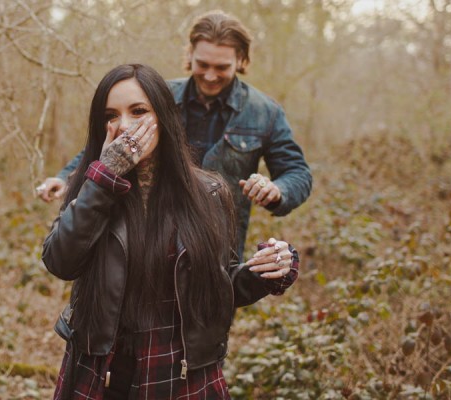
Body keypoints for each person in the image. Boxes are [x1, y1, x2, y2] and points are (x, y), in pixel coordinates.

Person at [42, 63, 300, 399]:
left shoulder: (208, 193)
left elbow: (219, 289)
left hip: (181, 374)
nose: (124, 126)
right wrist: (104, 179)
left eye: (138, 111)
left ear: (163, 116)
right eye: (111, 116)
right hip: (102, 372)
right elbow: (60, 262)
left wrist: (269, 269)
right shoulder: (89, 186)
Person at [37, 10, 312, 258]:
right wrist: (65, 177)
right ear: (190, 54)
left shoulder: (265, 112)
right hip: (152, 234)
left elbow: (298, 172)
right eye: (203, 64)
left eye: (222, 67)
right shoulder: (156, 97)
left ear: (240, 60)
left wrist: (277, 190)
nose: (211, 75)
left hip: (218, 244)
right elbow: (114, 143)